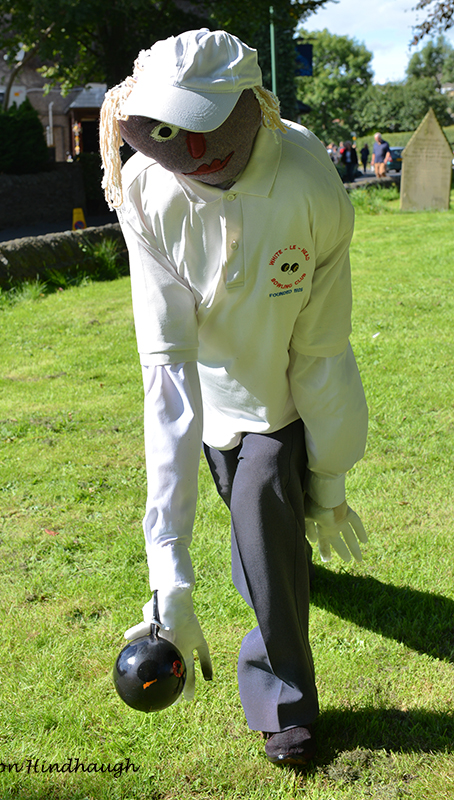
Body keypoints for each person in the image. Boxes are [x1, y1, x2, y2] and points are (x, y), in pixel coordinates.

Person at [100, 28, 368, 767]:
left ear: (255, 104)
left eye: (213, 121)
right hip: (209, 398)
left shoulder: (308, 175)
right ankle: (280, 562)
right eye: (171, 127)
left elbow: (321, 347)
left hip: (282, 396)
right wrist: (169, 578)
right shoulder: (144, 189)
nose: (195, 149)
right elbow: (168, 371)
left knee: (262, 515)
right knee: (265, 539)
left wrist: (330, 475)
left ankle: (285, 703)